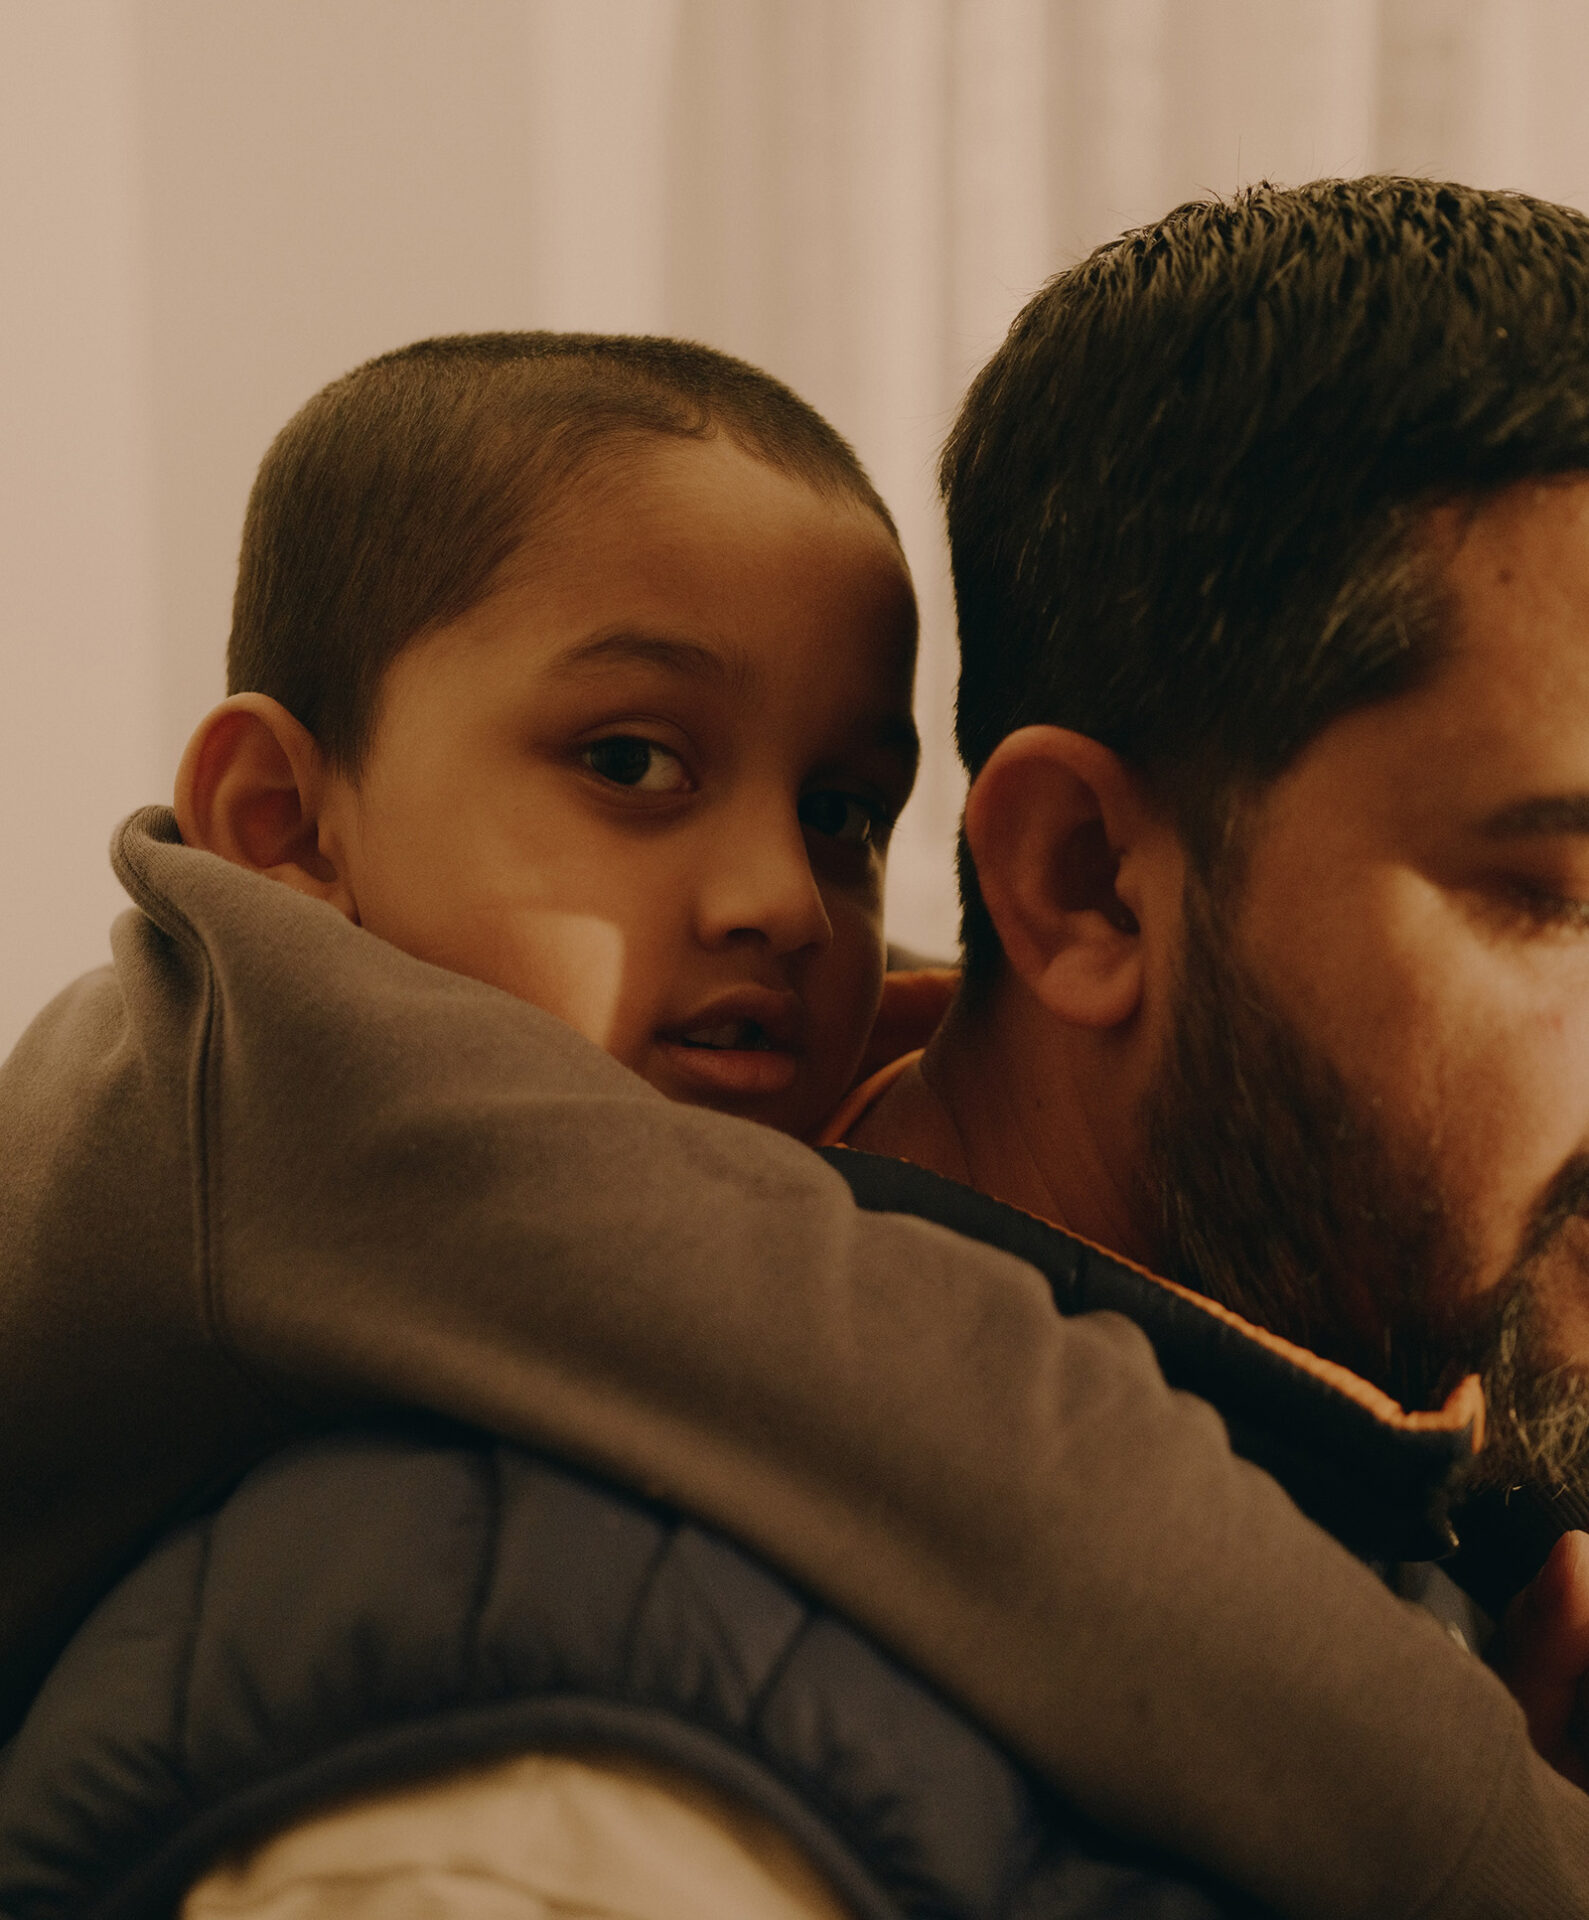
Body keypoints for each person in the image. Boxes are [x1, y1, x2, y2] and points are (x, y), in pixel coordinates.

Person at [3, 317, 1588, 1918]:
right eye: (631, 762)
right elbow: (1022, 1467)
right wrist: (1515, 1847)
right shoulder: (323, 1098)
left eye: (839, 809)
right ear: (283, 827)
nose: (782, 900)